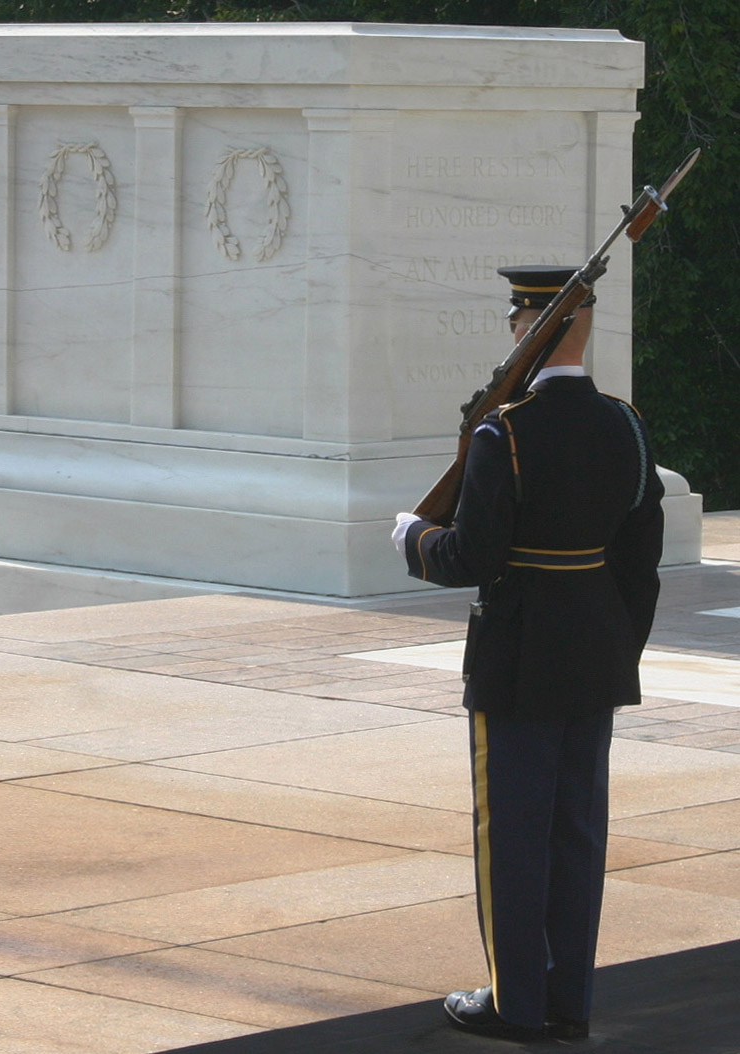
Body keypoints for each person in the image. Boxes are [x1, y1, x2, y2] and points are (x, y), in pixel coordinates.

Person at [393, 263, 664, 1042]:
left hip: (515, 659)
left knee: (512, 834)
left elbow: (472, 557)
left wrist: (414, 539)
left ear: (529, 330)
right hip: (595, 655)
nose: (512, 330)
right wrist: (620, 649)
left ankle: (515, 1004)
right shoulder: (626, 424)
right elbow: (637, 562)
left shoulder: (502, 430)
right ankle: (570, 999)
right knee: (576, 830)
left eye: (518, 321)